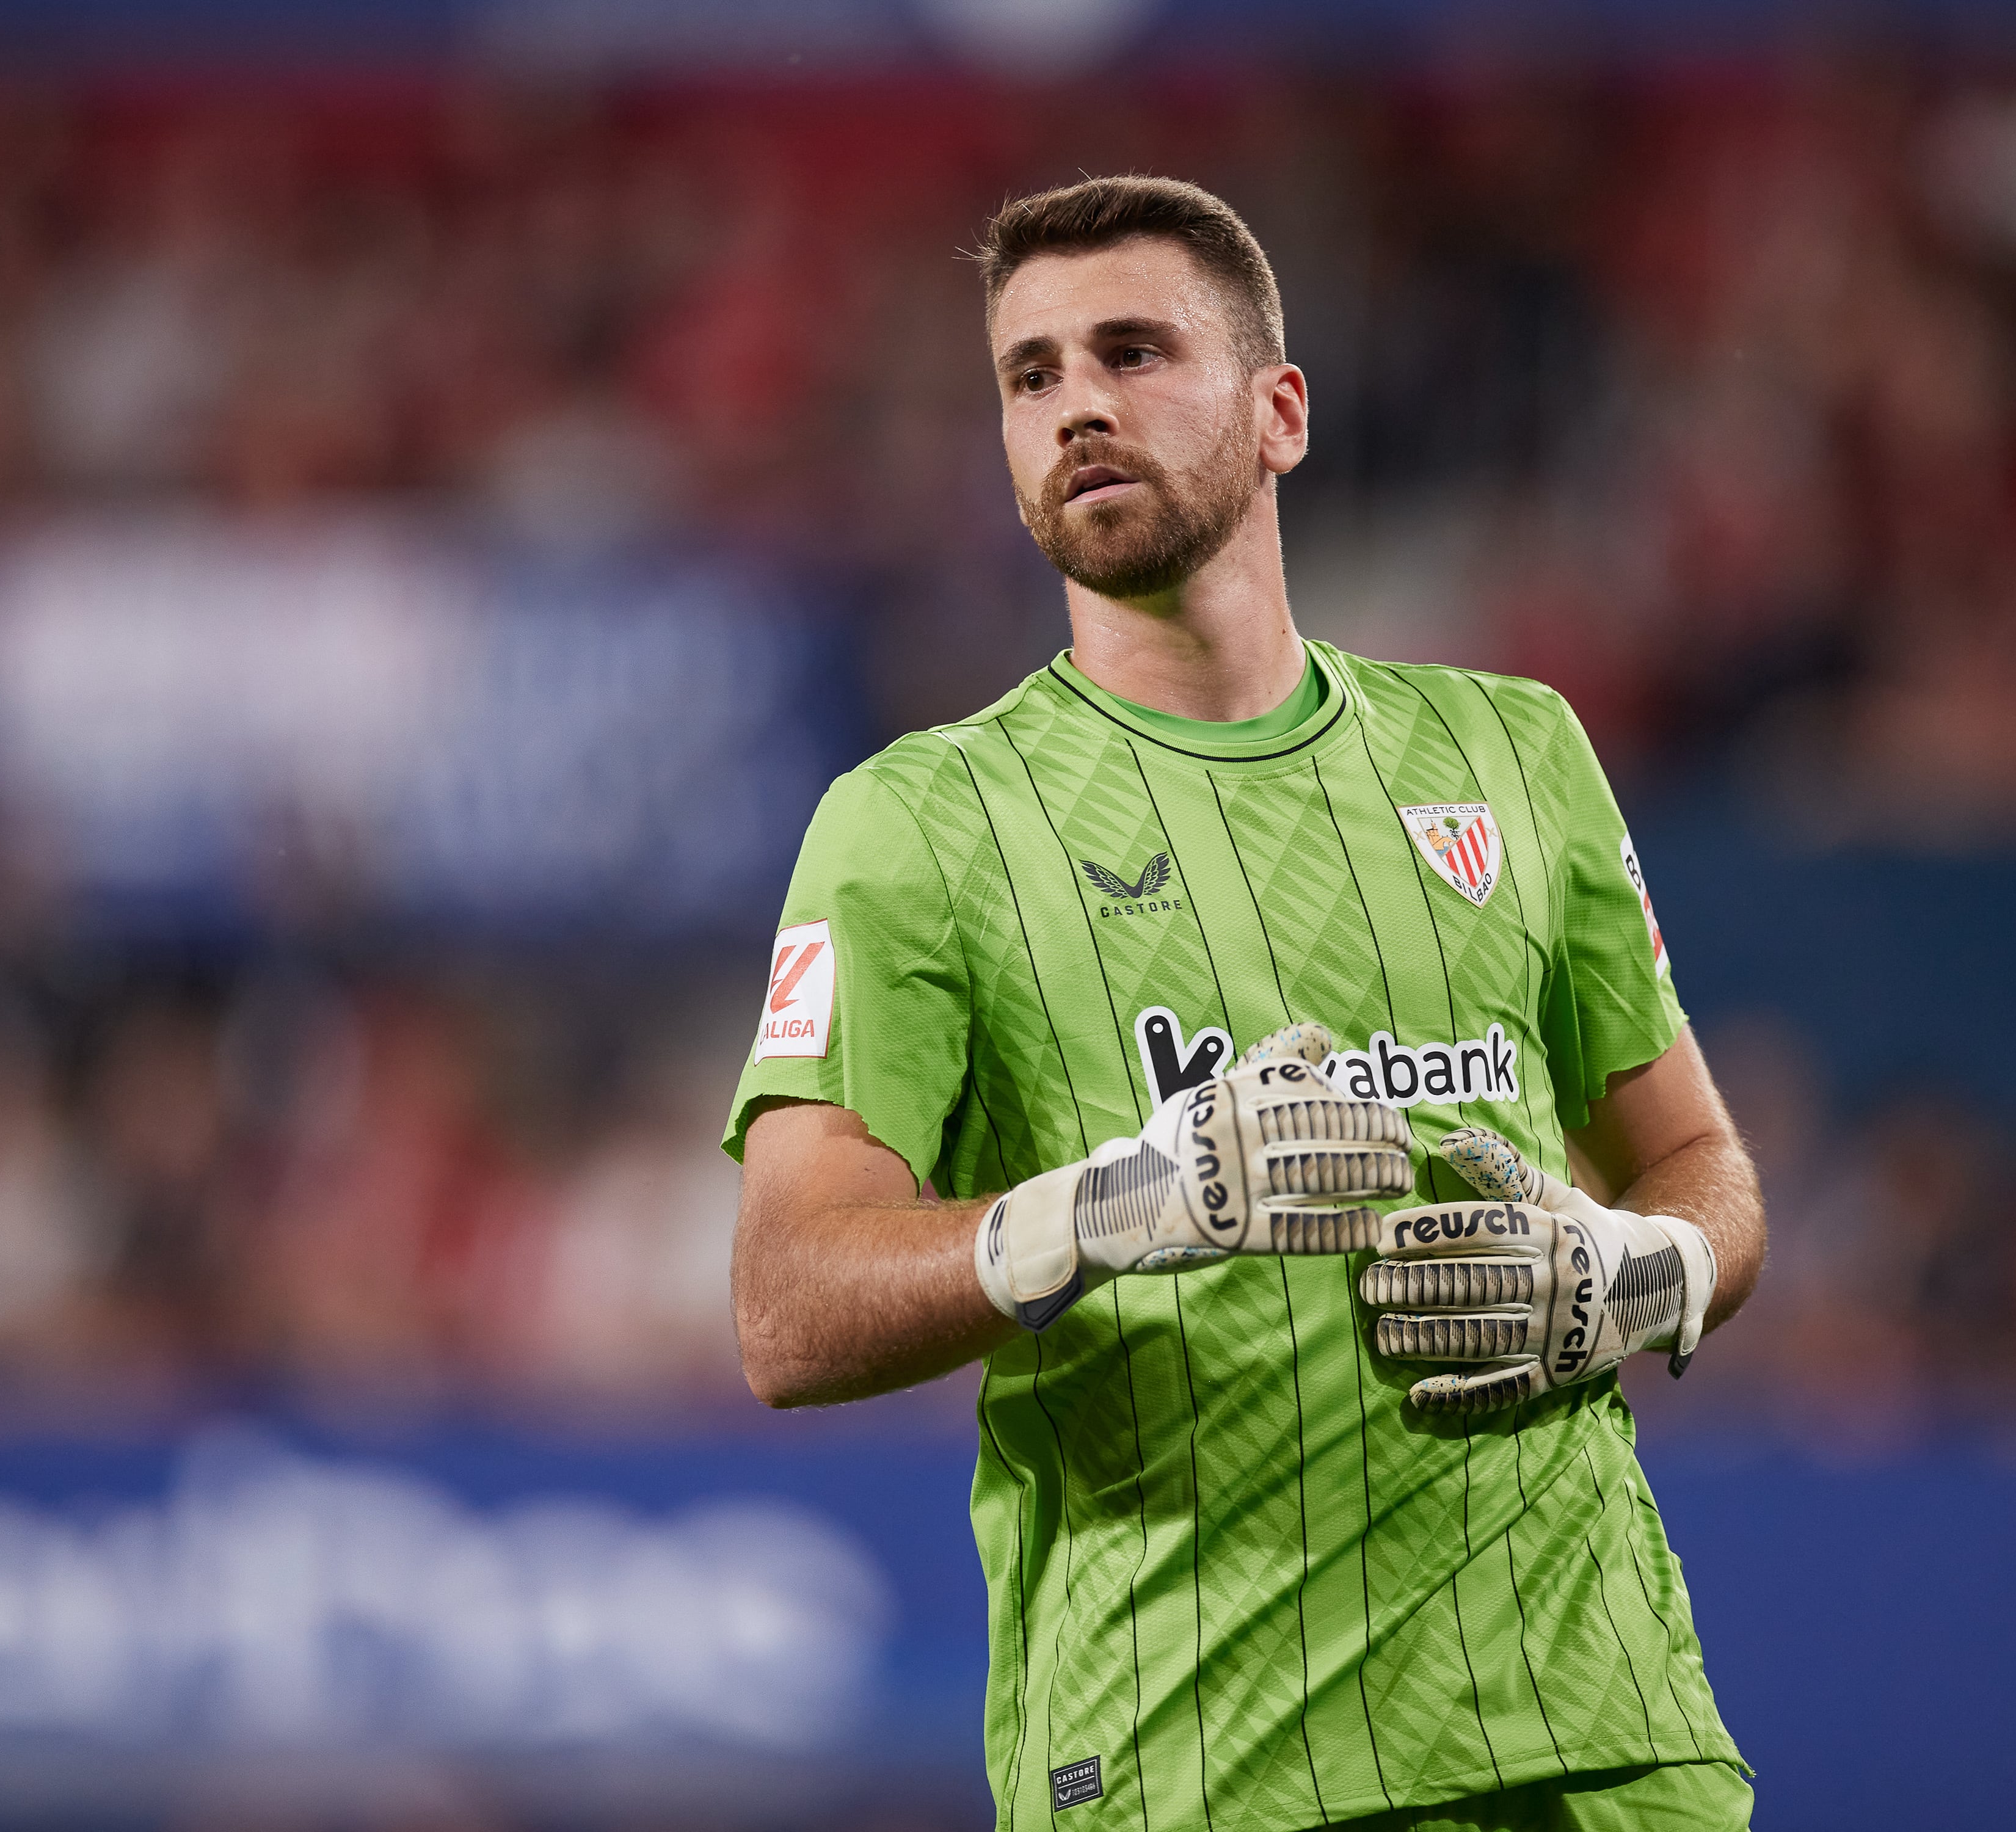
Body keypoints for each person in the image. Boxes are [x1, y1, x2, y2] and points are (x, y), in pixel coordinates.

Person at [725, 177, 1765, 1831]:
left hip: (1609, 1737)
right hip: (1195, 1763)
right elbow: (785, 1306)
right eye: (1031, 374)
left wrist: (1630, 1275)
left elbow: (1702, 1173)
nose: (1077, 404)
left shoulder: (1514, 753)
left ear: (1278, 410)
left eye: (1132, 352)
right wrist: (1113, 1207)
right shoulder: (916, 825)